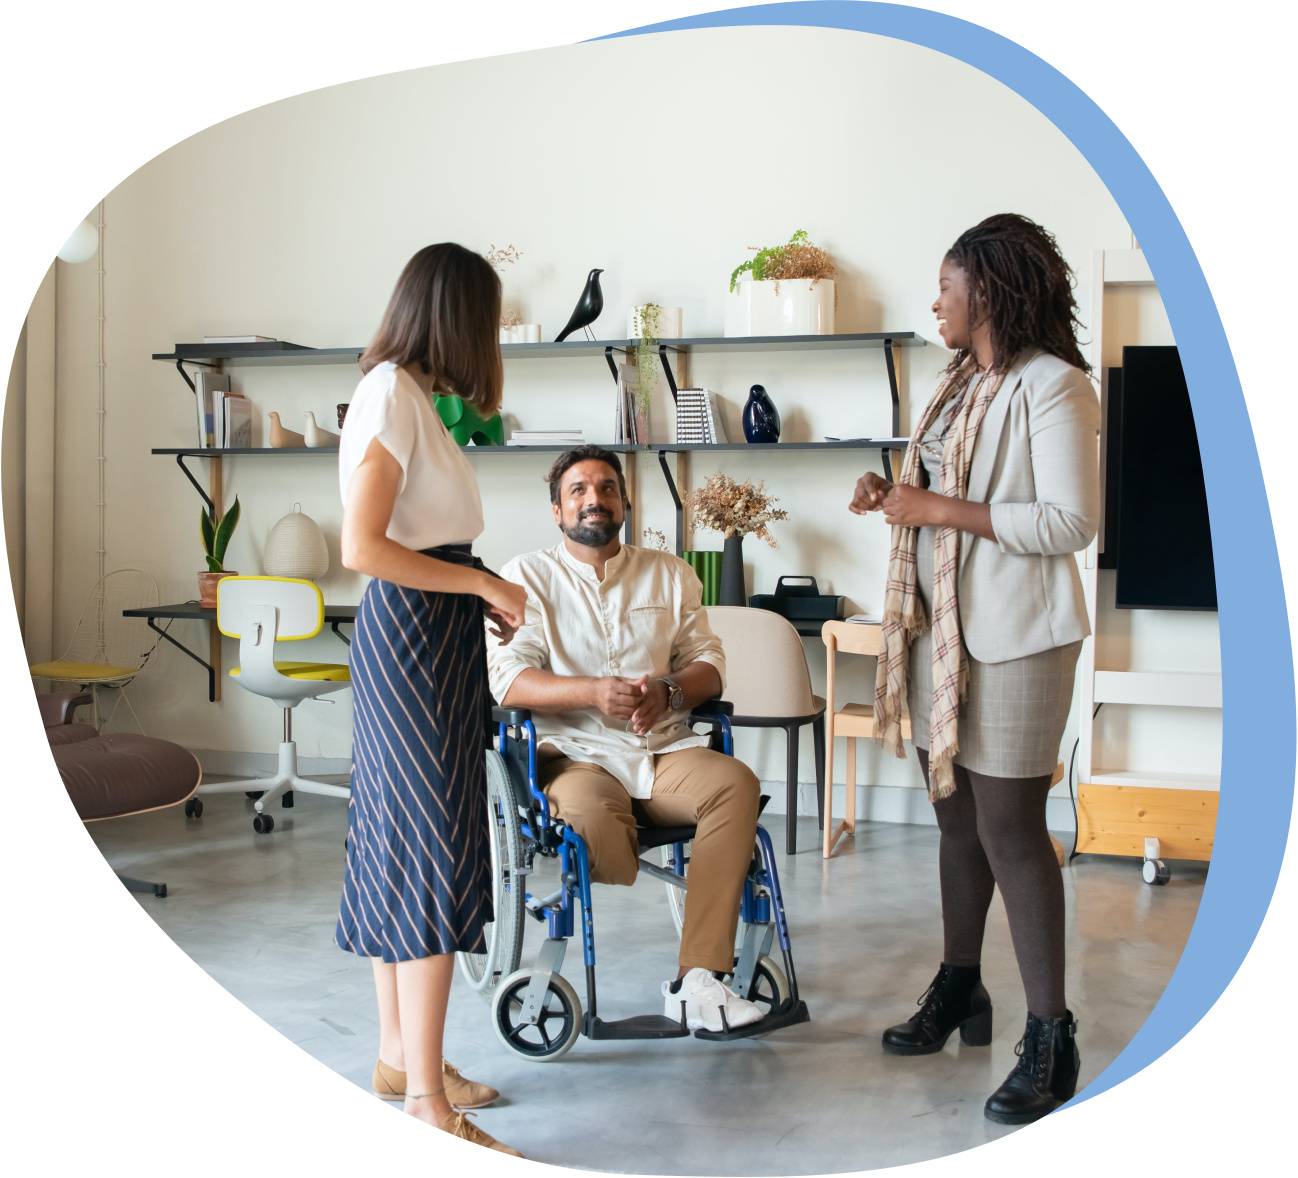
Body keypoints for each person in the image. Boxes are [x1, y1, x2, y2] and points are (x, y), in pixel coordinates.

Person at [850, 214, 1100, 1124]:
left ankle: (1052, 1037)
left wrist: (941, 509)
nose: (934, 305)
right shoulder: (956, 388)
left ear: (985, 291)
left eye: (946, 290)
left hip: (1021, 638)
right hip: (940, 637)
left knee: (1010, 830)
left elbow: (1070, 523)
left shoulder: (1054, 386)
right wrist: (893, 497)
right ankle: (963, 988)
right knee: (955, 822)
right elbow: (935, 498)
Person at [335, 243, 527, 1155]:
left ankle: (401, 1062)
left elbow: (426, 541)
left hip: (433, 638)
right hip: (412, 643)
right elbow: (363, 549)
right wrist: (482, 587)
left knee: (410, 843)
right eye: (487, 319)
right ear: (458, 315)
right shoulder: (388, 396)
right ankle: (428, 1107)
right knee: (430, 855)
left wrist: (475, 585)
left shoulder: (415, 400)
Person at [486, 445, 767, 1032]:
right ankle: (615, 841)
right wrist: (591, 692)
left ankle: (698, 981)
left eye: (608, 488)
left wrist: (667, 691)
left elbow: (709, 664)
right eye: (579, 491)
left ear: (625, 502)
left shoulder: (670, 573)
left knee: (735, 785)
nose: (595, 499)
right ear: (557, 510)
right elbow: (509, 679)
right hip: (576, 757)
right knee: (596, 829)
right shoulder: (525, 577)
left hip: (662, 750)